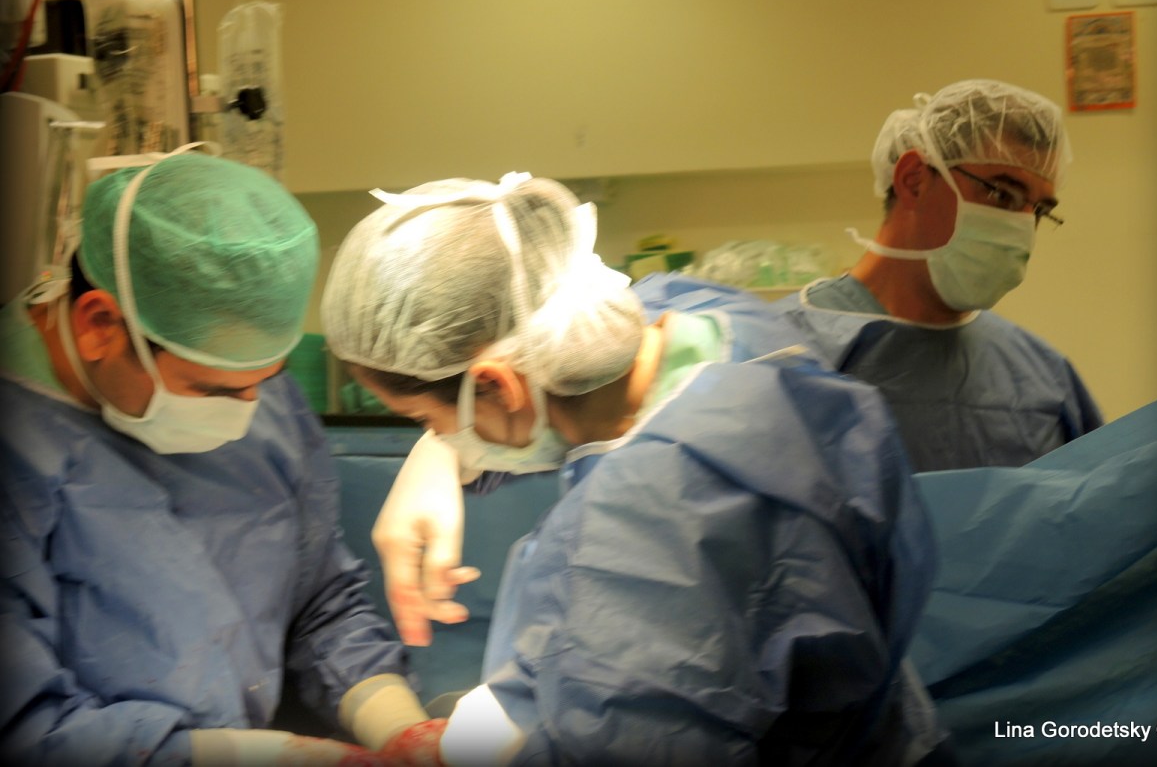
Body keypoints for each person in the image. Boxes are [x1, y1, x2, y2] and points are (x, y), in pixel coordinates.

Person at [320, 172, 946, 765]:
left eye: (426, 422)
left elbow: (631, 733)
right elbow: (566, 317)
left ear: (497, 385)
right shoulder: (723, 322)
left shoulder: (649, 532)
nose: (439, 441)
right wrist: (436, 458)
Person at [0, 152, 431, 767]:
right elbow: (26, 731)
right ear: (99, 325)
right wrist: (272, 756)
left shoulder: (250, 386)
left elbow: (318, 602)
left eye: (266, 380)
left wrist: (398, 727)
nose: (249, 411)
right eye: (213, 390)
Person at [772, 79, 1103, 472]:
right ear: (913, 179)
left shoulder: (1041, 375)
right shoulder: (780, 352)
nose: (1020, 226)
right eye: (1000, 193)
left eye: (1039, 211)